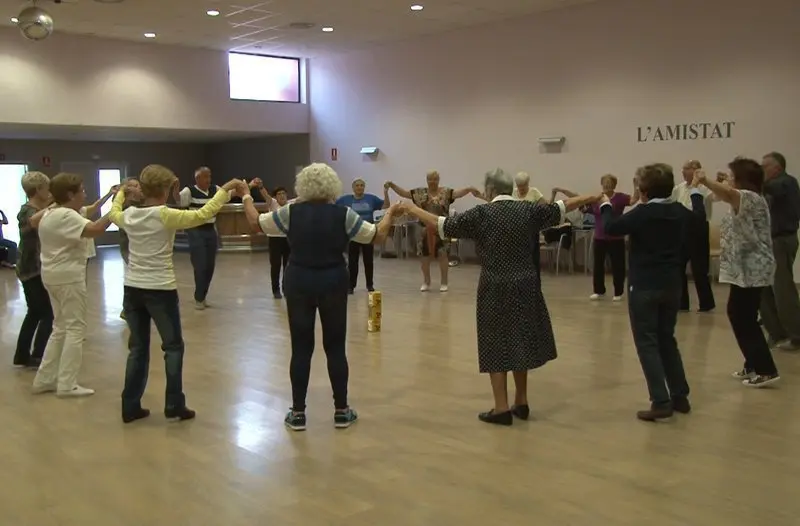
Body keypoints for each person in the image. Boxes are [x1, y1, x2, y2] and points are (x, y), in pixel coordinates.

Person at [399, 168, 597, 426]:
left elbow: (442, 225)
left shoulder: (482, 214)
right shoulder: (528, 210)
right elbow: (562, 206)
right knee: (520, 339)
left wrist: (410, 209)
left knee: (495, 343)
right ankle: (522, 401)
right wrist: (593, 196)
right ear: (511, 189)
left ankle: (501, 408)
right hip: (526, 283)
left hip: (494, 284)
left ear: (490, 191)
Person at [243, 163, 398, 432]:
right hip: (333, 280)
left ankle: (298, 413)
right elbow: (377, 236)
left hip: (299, 280)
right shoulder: (343, 214)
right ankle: (341, 410)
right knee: (335, 348)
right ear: (332, 185)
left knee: (301, 349)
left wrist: (246, 195)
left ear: (302, 185)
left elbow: (256, 224)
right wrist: (392, 212)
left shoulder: (290, 212)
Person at [109, 165, 243, 423]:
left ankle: (130, 405)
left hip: (133, 288)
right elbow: (204, 214)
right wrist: (225, 190)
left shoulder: (130, 215)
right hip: (160, 289)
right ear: (164, 189)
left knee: (137, 348)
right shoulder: (164, 215)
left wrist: (121, 194)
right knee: (173, 347)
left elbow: (114, 212)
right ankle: (173, 404)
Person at [601, 163, 703, 421]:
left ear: (643, 190)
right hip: (672, 284)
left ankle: (660, 400)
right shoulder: (679, 212)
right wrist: (696, 192)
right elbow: (699, 218)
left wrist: (605, 205)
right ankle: (680, 396)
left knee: (647, 342)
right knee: (667, 339)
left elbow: (612, 227)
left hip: (644, 284)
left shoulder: (642, 213)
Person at [696, 160, 780, 387]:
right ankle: (752, 363)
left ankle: (766, 369)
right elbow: (723, 195)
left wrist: (705, 180)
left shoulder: (750, 197)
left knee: (743, 316)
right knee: (740, 314)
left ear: (742, 179)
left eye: (733, 176)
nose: (729, 180)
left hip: (753, 267)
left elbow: (728, 193)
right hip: (743, 268)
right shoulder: (745, 197)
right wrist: (721, 182)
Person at [31, 173, 115, 397]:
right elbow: (96, 230)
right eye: (82, 190)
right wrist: (116, 210)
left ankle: (45, 379)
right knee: (75, 329)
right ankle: (67, 384)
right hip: (67, 277)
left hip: (52, 275)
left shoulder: (50, 213)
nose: (85, 193)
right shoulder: (67, 216)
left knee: (60, 328)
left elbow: (33, 221)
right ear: (70, 194)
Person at [385, 172, 480, 292]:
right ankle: (426, 281)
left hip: (442, 228)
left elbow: (458, 194)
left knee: (443, 255)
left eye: (435, 179)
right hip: (423, 229)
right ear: (427, 180)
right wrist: (392, 185)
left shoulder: (445, 192)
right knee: (424, 257)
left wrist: (469, 188)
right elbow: (404, 193)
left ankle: (444, 282)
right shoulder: (419, 193)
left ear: (438, 179)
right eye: (430, 179)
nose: (432, 181)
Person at [555, 174, 632, 301]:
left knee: (617, 266)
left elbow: (634, 200)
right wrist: (563, 191)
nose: (607, 185)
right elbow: (578, 198)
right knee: (598, 265)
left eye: (609, 183)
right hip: (600, 237)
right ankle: (599, 291)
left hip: (616, 237)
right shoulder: (597, 198)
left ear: (614, 185)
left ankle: (618, 292)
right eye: (605, 183)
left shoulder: (620, 197)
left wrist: (636, 187)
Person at [759, 152, 800, 350]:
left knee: (782, 290)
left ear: (777, 168)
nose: (762, 170)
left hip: (781, 241)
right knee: (763, 290)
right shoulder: (770, 188)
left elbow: (774, 188)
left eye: (765, 166)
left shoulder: (787, 182)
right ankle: (777, 332)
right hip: (768, 242)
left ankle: (797, 335)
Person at [12, 172, 54, 368]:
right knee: (44, 313)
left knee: (37, 312)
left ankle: (25, 355)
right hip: (30, 270)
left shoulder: (41, 208)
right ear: (38, 190)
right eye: (46, 188)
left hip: (39, 268)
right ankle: (36, 355)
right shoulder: (26, 210)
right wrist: (54, 204)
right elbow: (32, 221)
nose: (48, 192)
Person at [175, 166, 221, 310]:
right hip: (195, 230)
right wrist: (175, 189)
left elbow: (228, 193)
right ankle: (199, 297)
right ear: (197, 179)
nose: (208, 180)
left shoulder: (215, 190)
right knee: (200, 265)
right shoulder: (189, 191)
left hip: (210, 230)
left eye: (210, 176)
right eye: (205, 177)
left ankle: (203, 295)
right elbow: (179, 201)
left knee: (210, 266)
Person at [673, 160, 715, 312]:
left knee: (699, 269)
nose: (683, 172)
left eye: (687, 169)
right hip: (681, 229)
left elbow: (716, 197)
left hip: (699, 229)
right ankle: (682, 302)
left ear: (696, 170)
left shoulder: (705, 188)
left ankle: (706, 303)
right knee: (678, 267)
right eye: (683, 169)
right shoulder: (678, 188)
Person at [336, 178, 390, 293]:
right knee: (352, 262)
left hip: (367, 234)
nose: (359, 187)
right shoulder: (345, 200)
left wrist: (386, 192)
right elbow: (333, 206)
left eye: (361, 185)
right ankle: (351, 286)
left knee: (368, 260)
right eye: (357, 185)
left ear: (364, 187)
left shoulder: (371, 199)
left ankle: (369, 285)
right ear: (353, 188)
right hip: (353, 234)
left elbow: (386, 205)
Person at [118, 178, 144, 320]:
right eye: (134, 186)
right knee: (134, 276)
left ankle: (131, 307)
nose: (139, 188)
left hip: (139, 247)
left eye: (138, 185)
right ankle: (128, 308)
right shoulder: (126, 207)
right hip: (128, 246)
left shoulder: (141, 204)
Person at [262, 185, 294, 299]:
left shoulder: (291, 204)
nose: (282, 196)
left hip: (288, 239)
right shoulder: (272, 203)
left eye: (283, 194)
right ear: (276, 197)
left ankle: (286, 288)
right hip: (274, 238)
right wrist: (261, 186)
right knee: (275, 266)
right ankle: (276, 290)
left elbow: (303, 198)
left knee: (288, 265)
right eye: (279, 194)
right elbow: (265, 194)